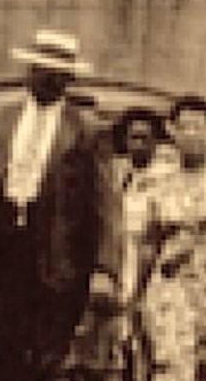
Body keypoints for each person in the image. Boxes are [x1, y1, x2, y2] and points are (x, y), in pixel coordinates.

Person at [0, 29, 101, 381]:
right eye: (37, 70)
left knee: (47, 352)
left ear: (67, 79)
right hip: (0, 245)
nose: (43, 79)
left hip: (56, 251)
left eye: (53, 74)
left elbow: (104, 203)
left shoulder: (85, 130)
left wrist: (104, 269)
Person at [124, 95, 206, 381]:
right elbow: (146, 242)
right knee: (170, 361)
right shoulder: (153, 181)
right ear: (171, 131)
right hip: (170, 280)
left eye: (199, 128)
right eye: (184, 127)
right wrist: (135, 290)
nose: (191, 135)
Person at [77, 107, 172, 381]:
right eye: (133, 138)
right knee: (110, 343)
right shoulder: (117, 174)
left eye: (145, 138)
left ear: (157, 141)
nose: (139, 145)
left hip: (150, 264)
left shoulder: (165, 179)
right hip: (118, 261)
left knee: (147, 341)